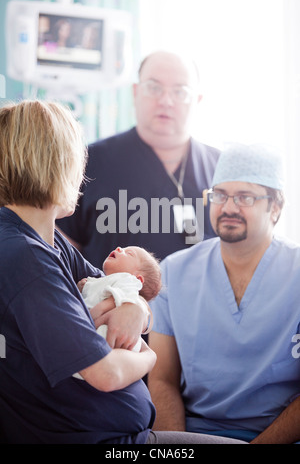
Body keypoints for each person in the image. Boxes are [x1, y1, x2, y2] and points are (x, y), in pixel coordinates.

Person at [0, 100, 244, 445]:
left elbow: (124, 290)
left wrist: (135, 308)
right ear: (59, 166)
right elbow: (107, 373)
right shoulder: (27, 259)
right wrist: (149, 356)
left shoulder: (45, 238)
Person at [148, 143, 300, 444]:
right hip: (196, 434)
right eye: (219, 195)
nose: (229, 207)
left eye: (245, 197)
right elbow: (162, 379)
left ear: (276, 207)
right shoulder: (173, 273)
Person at [56, 50, 220, 269]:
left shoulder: (222, 170)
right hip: (111, 301)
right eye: (154, 88)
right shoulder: (89, 162)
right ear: (135, 92)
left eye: (180, 92)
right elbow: (59, 254)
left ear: (197, 100)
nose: (166, 101)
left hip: (201, 302)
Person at [76, 245, 162, 355]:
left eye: (129, 253)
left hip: (107, 342)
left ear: (137, 279)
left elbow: (100, 308)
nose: (119, 248)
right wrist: (83, 287)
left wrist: (87, 319)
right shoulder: (104, 281)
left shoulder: (128, 281)